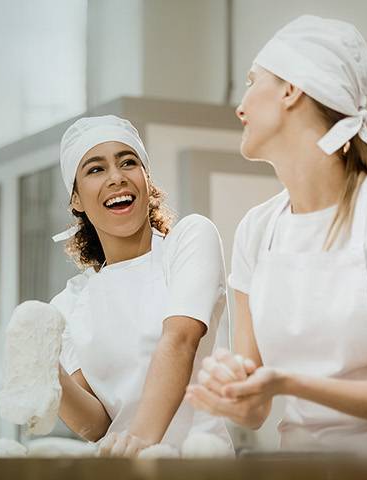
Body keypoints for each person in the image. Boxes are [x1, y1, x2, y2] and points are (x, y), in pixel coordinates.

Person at [184, 15, 367, 452]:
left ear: (291, 89)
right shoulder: (256, 231)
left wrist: (290, 383)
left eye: (252, 81)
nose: (239, 105)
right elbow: (255, 410)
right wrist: (230, 392)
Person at [46, 115, 232, 456]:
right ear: (76, 199)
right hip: (124, 465)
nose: (116, 178)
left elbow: (181, 340)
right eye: (95, 169)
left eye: (128, 162)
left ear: (146, 179)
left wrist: (142, 442)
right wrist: (46, 372)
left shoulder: (189, 241)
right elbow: (97, 425)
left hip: (199, 462)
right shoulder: (70, 303)